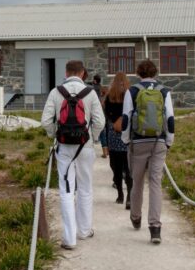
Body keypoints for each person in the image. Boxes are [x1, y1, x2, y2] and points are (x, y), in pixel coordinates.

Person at [41, 59, 105, 250]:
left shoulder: (56, 92)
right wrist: (92, 138)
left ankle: (69, 238)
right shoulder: (91, 93)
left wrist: (55, 135)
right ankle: (84, 230)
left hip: (64, 147)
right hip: (84, 146)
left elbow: (45, 121)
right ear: (83, 73)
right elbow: (100, 122)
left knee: (66, 189)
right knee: (85, 187)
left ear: (66, 73)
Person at [121, 59, 175, 244]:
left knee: (137, 181)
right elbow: (170, 118)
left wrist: (126, 140)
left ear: (138, 73)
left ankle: (136, 217)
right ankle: (155, 228)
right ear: (155, 72)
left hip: (138, 141)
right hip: (159, 141)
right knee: (155, 182)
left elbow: (126, 117)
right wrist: (169, 141)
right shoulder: (164, 91)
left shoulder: (133, 91)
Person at [103, 72, 132, 206]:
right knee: (128, 167)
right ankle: (130, 197)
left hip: (113, 135)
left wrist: (115, 122)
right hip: (127, 135)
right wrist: (122, 121)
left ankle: (120, 194)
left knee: (116, 167)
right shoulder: (130, 95)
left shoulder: (109, 97)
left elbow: (106, 115)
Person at [91, 74, 108, 158]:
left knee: (90, 129)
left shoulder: (93, 87)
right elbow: (104, 93)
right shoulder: (101, 87)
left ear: (94, 80)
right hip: (101, 109)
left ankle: (90, 150)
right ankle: (105, 151)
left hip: (94, 108)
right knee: (102, 130)